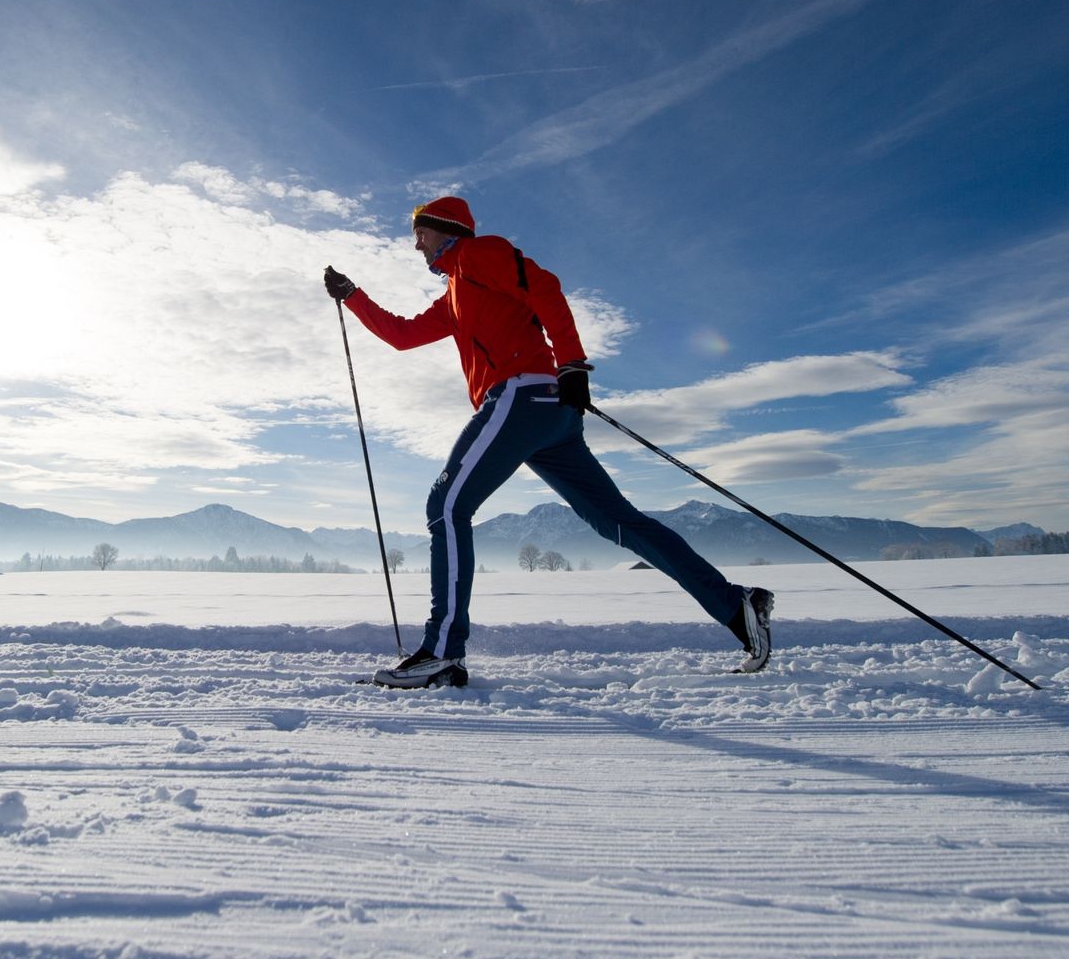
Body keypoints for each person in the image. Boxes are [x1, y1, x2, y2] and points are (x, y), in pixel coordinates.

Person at [324, 196, 774, 689]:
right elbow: (403, 335)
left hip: (522, 397)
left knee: (447, 505)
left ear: (446, 230)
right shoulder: (455, 292)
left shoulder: (479, 254)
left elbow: (545, 285)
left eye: (421, 234)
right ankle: (736, 606)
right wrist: (353, 296)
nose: (416, 245)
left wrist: (573, 364)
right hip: (547, 416)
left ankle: (441, 651)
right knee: (618, 522)